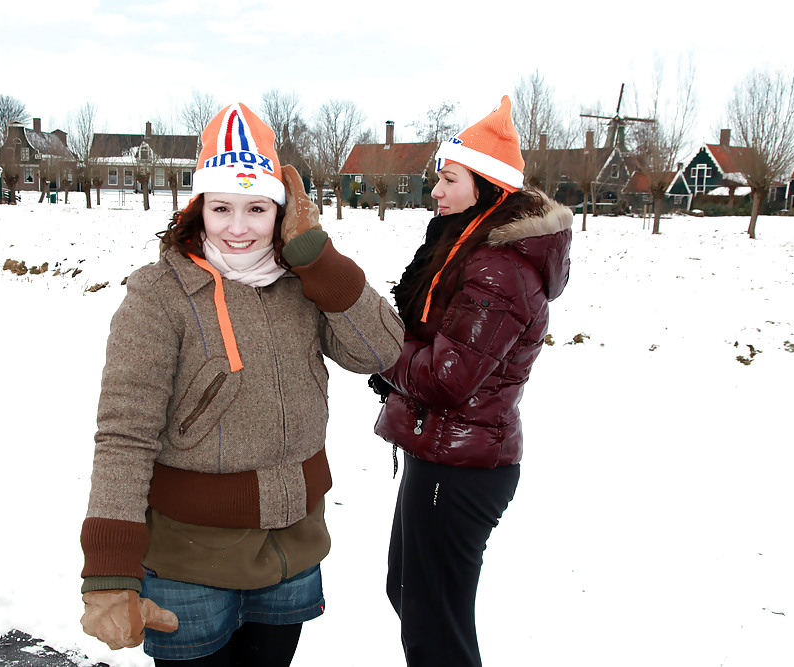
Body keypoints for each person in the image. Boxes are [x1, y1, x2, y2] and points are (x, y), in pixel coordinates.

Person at [79, 102, 404, 666]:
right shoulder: (158, 297)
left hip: (293, 547)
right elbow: (124, 435)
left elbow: (380, 350)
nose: (237, 227)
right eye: (221, 207)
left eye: (257, 208)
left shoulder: (305, 283)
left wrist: (317, 258)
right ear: (198, 209)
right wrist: (110, 570)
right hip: (188, 559)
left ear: (282, 212)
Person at [369, 96, 572, 666]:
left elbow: (446, 379)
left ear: (486, 186)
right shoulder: (468, 248)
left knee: (435, 630)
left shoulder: (497, 266)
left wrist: (376, 344)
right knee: (412, 597)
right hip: (442, 454)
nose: (435, 190)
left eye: (448, 177)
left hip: (460, 466)